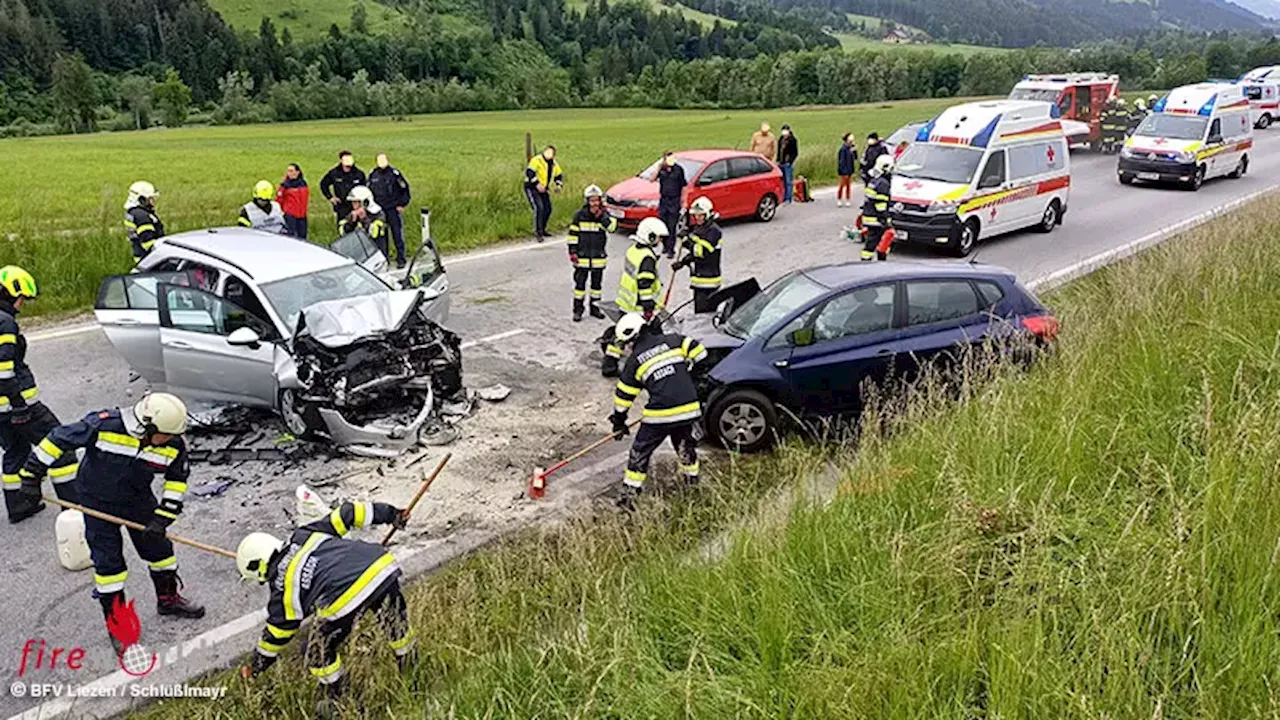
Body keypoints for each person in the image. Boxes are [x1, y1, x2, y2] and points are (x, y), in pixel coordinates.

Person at [19, 393, 204, 651]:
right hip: (96, 502)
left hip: (138, 501)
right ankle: (117, 625)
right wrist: (31, 475)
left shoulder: (173, 444)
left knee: (161, 553)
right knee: (109, 568)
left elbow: (176, 481)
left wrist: (163, 518)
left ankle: (168, 599)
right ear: (147, 427)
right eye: (166, 435)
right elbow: (57, 438)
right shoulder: (104, 425)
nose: (171, 440)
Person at [236, 500, 413, 719]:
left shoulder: (282, 591)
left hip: (347, 594)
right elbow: (349, 513)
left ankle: (338, 695)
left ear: (258, 568)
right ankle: (411, 667)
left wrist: (256, 667)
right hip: (380, 566)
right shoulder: (304, 535)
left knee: (315, 650)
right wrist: (391, 513)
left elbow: (275, 637)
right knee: (394, 623)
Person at [0, 267, 79, 523]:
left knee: (16, 451)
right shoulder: (5, 323)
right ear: (10, 293)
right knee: (60, 447)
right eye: (21, 297)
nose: (22, 304)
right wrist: (19, 405)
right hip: (20, 405)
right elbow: (4, 371)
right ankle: (74, 511)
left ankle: (20, 505)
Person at [609, 312, 708, 510]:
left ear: (634, 337)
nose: (626, 348)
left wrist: (619, 422)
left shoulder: (635, 361)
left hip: (660, 414)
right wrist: (691, 376)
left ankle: (629, 496)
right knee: (685, 446)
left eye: (626, 343)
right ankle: (692, 483)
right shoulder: (674, 340)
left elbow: (623, 398)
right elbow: (701, 353)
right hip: (689, 409)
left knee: (640, 451)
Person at [601, 217, 667, 377]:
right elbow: (644, 284)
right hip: (638, 307)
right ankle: (652, 369)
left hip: (626, 303)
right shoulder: (647, 258)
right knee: (655, 338)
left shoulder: (633, 250)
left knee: (621, 335)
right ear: (650, 237)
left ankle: (609, 366)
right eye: (658, 237)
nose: (660, 241)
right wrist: (648, 309)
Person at [567, 184, 618, 322]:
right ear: (587, 201)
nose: (594, 203)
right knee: (579, 287)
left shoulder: (605, 215)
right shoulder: (579, 216)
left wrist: (602, 216)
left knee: (596, 287)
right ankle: (578, 311)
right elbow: (573, 235)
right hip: (582, 257)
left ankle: (595, 309)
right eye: (592, 200)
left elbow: (612, 228)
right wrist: (572, 252)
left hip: (598, 258)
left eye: (597, 200)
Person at [674, 196, 723, 314]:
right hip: (700, 278)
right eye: (696, 215)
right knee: (698, 313)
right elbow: (694, 253)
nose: (697, 218)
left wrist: (687, 241)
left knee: (705, 316)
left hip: (709, 280)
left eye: (701, 215)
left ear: (708, 214)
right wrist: (682, 262)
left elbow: (701, 252)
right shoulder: (699, 228)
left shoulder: (714, 231)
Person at [368, 153, 412, 268]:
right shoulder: (373, 175)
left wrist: (402, 204)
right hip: (379, 210)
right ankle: (384, 258)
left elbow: (405, 189)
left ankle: (401, 259)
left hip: (393, 208)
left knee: (397, 234)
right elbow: (369, 192)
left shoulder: (394, 174)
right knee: (382, 236)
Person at [524, 145, 564, 241]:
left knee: (548, 209)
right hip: (532, 187)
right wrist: (537, 184)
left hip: (544, 189)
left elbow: (559, 175)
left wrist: (558, 186)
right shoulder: (537, 160)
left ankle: (542, 229)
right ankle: (538, 232)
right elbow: (529, 172)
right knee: (539, 208)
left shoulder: (554, 164)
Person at [860, 154, 894, 262]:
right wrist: (886, 218)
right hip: (876, 219)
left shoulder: (874, 181)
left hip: (869, 217)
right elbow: (880, 204)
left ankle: (869, 260)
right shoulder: (883, 183)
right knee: (876, 243)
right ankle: (871, 263)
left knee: (874, 242)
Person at [320, 151, 367, 228]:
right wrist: (330, 197)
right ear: (341, 160)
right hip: (341, 206)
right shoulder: (334, 173)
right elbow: (323, 184)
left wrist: (361, 205)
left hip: (356, 207)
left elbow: (365, 189)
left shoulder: (359, 174)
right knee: (343, 228)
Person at [339, 186, 389, 257]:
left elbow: (374, 234)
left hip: (377, 254)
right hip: (361, 253)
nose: (353, 204)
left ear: (365, 202)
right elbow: (343, 233)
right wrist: (351, 222)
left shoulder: (378, 214)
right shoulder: (353, 214)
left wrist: (364, 219)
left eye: (355, 202)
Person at [124, 181, 164, 263]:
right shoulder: (142, 217)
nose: (153, 201)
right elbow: (148, 243)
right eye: (150, 199)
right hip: (150, 259)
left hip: (140, 256)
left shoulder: (133, 212)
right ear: (141, 199)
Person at [655, 151, 686, 258]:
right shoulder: (662, 170)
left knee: (672, 226)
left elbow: (684, 186)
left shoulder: (678, 170)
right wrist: (659, 167)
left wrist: (684, 201)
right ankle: (665, 245)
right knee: (662, 224)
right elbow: (652, 179)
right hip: (664, 200)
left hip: (674, 200)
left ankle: (671, 250)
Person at [277, 163, 310, 240]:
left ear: (297, 172)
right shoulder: (284, 186)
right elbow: (279, 201)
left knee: (303, 238)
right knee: (291, 238)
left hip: (302, 216)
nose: (290, 173)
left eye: (291, 171)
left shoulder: (303, 184)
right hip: (290, 216)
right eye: (288, 171)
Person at [777, 124, 799, 204]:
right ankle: (783, 196)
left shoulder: (793, 140)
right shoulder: (780, 139)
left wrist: (790, 161)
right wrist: (778, 160)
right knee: (782, 181)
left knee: (788, 181)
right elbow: (779, 151)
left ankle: (788, 198)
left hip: (787, 163)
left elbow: (795, 153)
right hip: (781, 162)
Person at [836, 133, 857, 208]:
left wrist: (854, 150)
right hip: (844, 171)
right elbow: (841, 162)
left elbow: (855, 158)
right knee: (842, 185)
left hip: (850, 170)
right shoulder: (843, 149)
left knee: (848, 186)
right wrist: (844, 172)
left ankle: (848, 199)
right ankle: (839, 199)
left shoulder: (850, 148)